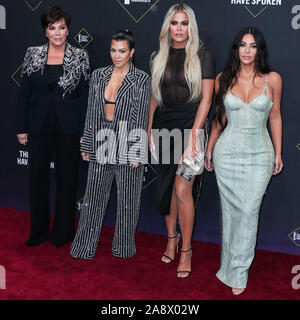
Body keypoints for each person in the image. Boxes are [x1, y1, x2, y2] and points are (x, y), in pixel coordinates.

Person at [205, 27, 283, 295]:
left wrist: (279, 152)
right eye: (242, 45)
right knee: (230, 214)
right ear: (236, 49)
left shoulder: (271, 80)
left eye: (252, 46)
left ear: (259, 50)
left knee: (249, 212)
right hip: (227, 155)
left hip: (260, 154)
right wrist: (209, 149)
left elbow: (275, 117)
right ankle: (228, 266)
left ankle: (239, 271)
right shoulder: (222, 79)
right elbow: (219, 119)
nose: (247, 51)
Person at [148, 3, 215, 279]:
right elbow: (154, 97)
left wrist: (194, 136)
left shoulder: (203, 55)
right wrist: (149, 128)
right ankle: (171, 239)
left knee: (182, 189)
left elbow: (207, 99)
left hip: (193, 131)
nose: (179, 28)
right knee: (166, 189)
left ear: (191, 26)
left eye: (184, 23)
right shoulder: (157, 56)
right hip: (163, 129)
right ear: (168, 26)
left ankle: (186, 250)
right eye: (174, 23)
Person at [70, 30, 150, 260]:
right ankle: (83, 247)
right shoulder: (98, 75)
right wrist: (87, 143)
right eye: (113, 50)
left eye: (122, 51)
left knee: (128, 203)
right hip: (100, 140)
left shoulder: (142, 79)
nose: (117, 55)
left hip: (127, 140)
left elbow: (141, 115)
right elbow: (92, 111)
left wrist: (136, 151)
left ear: (132, 52)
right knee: (93, 199)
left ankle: (123, 247)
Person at [16, 5, 90, 248]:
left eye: (62, 27)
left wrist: (83, 131)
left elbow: (84, 97)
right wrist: (21, 127)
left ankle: (63, 233)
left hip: (69, 127)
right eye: (52, 28)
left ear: (68, 30)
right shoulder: (32, 54)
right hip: (38, 126)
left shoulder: (80, 56)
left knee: (67, 180)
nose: (57, 32)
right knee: (37, 179)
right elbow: (23, 93)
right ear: (45, 31)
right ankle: (38, 233)